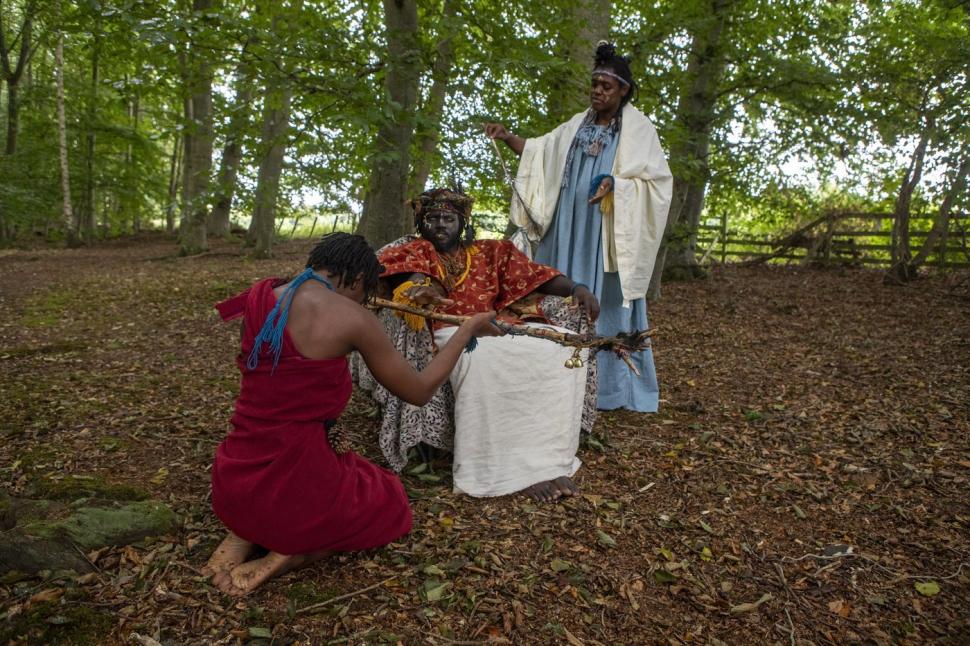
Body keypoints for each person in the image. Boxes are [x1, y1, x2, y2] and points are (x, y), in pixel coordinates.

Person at [203, 233, 499, 596]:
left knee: (332, 473)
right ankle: (292, 552)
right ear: (358, 280)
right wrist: (465, 330)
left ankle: (245, 530)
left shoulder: (260, 295)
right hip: (292, 486)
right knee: (389, 499)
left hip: (234, 480)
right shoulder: (352, 318)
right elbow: (419, 391)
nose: (364, 303)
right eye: (365, 295)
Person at [374, 188, 600, 503]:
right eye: (432, 218)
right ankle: (496, 466)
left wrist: (577, 288)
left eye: (448, 218)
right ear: (421, 223)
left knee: (560, 350)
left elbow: (535, 276)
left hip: (499, 323)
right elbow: (411, 279)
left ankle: (549, 459)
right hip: (448, 329)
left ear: (463, 222)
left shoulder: (492, 251)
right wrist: (420, 290)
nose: (440, 225)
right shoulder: (417, 250)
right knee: (484, 361)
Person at [485, 41, 673, 413]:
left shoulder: (639, 130)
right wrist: (507, 138)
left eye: (606, 86)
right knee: (556, 290)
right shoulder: (576, 125)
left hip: (607, 236)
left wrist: (616, 185)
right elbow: (538, 152)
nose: (597, 91)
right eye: (595, 84)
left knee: (607, 304)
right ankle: (551, 379)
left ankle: (607, 390)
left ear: (623, 91)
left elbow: (657, 183)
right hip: (565, 230)